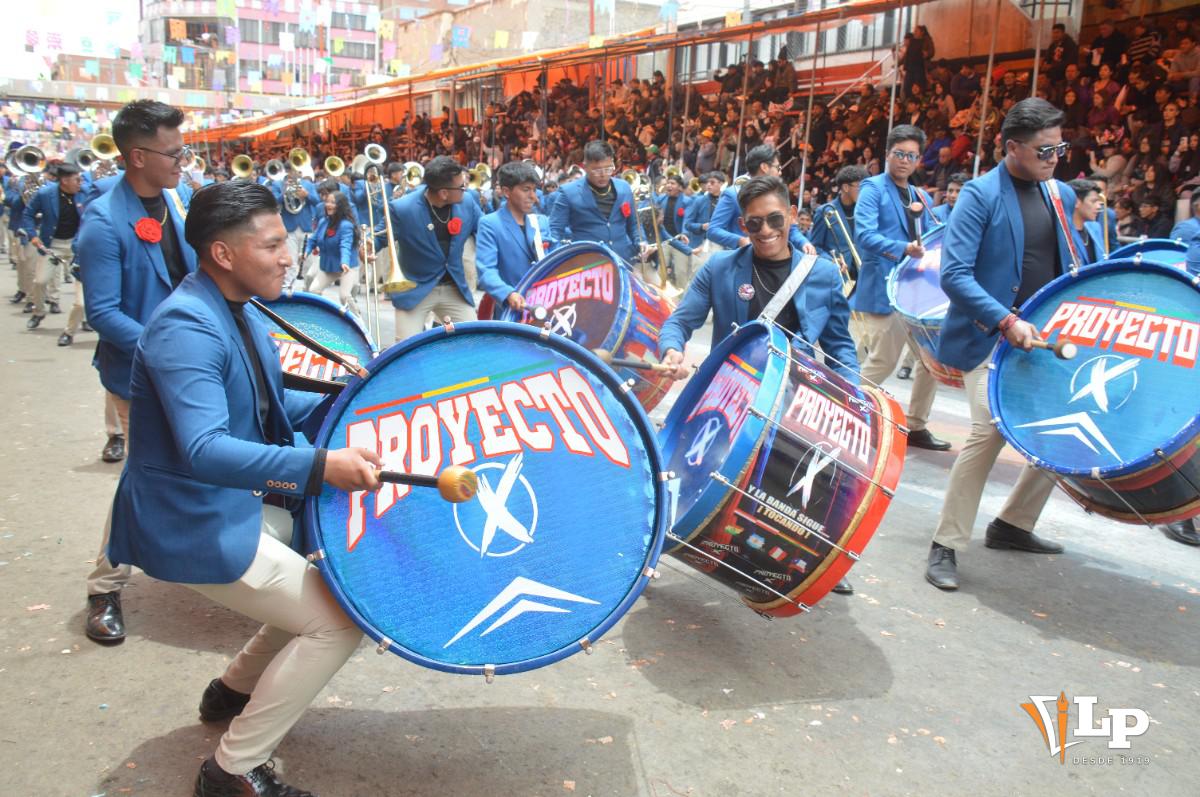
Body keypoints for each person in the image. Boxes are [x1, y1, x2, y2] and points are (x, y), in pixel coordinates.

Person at [105, 180, 381, 796]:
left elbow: (266, 406)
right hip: (190, 519)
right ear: (223, 254)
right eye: (272, 245)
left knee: (324, 581)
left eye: (286, 242)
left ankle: (231, 690)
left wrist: (351, 399)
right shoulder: (186, 326)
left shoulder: (239, 308)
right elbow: (205, 449)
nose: (288, 257)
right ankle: (232, 769)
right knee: (341, 621)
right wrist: (321, 466)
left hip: (228, 506)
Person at [658, 176, 858, 595]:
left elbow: (839, 344)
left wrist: (852, 395)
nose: (765, 231)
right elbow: (680, 320)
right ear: (742, 225)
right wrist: (672, 350)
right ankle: (665, 542)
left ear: (791, 216)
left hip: (795, 401)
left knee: (801, 487)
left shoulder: (821, 274)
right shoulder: (720, 267)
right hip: (731, 395)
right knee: (699, 477)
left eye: (774, 220)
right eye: (754, 223)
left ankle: (814, 561)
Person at [925, 98, 1080, 591]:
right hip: (990, 336)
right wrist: (1005, 319)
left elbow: (1074, 266)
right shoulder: (979, 194)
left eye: (1059, 148)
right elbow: (954, 274)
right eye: (1044, 149)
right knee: (990, 430)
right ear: (1012, 147)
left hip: (1044, 336)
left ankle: (1013, 523)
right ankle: (946, 543)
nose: (1054, 157)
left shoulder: (1061, 194)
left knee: (1064, 428)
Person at [78, 99, 199, 643]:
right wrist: (165, 347)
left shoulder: (177, 199)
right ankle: (104, 588)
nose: (182, 161)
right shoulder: (103, 222)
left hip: (191, 363)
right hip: (139, 373)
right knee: (140, 475)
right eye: (173, 153)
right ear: (136, 157)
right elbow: (103, 314)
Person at [852, 124, 951, 452]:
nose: (905, 161)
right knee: (884, 360)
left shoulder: (921, 196)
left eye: (911, 156)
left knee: (931, 361)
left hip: (916, 292)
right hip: (884, 287)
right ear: (887, 154)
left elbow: (934, 237)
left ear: (919, 159)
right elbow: (864, 235)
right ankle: (849, 409)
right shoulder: (873, 188)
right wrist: (903, 248)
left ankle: (916, 425)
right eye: (899, 154)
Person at [387, 155, 482, 341]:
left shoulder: (468, 202)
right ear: (444, 193)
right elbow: (380, 237)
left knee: (475, 341)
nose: (465, 190)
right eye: (461, 187)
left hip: (454, 288)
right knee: (405, 349)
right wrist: (367, 246)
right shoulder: (402, 208)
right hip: (414, 289)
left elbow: (485, 231)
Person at [706, 144, 816, 255]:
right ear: (764, 167)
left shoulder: (778, 194)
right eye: (778, 168)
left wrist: (803, 242)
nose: (780, 172)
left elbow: (790, 226)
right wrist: (740, 240)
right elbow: (713, 230)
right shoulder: (733, 194)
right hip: (742, 258)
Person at [548, 140, 646, 264]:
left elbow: (634, 224)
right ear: (585, 166)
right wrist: (562, 261)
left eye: (608, 169)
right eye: (597, 170)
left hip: (623, 262)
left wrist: (641, 242)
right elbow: (555, 231)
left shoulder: (624, 187)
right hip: (588, 265)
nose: (603, 175)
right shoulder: (568, 192)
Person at [475, 161, 551, 312]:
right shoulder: (490, 223)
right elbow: (486, 270)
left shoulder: (541, 221)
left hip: (545, 304)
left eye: (534, 190)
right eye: (526, 190)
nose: (533, 196)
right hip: (511, 308)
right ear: (506, 192)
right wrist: (508, 293)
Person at [23, 163, 83, 331]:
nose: (80, 183)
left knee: (85, 285)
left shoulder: (84, 193)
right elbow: (28, 214)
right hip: (52, 245)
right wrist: (33, 235)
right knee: (40, 281)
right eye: (77, 180)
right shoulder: (45, 194)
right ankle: (38, 312)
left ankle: (85, 318)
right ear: (64, 181)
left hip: (76, 245)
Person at [303, 191, 360, 312]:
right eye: (327, 202)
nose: (328, 205)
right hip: (328, 266)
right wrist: (306, 251)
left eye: (333, 202)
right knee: (313, 290)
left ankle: (356, 318)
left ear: (340, 206)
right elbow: (313, 239)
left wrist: (344, 262)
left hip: (346, 267)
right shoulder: (324, 221)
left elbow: (345, 245)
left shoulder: (346, 225)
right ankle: (320, 317)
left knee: (344, 297)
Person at [269, 164, 320, 292]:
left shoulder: (308, 185)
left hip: (306, 226)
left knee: (308, 262)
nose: (293, 173)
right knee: (290, 260)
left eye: (296, 170)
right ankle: (288, 289)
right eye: (290, 170)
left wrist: (307, 195)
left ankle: (308, 290)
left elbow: (318, 201)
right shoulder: (278, 184)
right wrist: (284, 193)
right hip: (289, 227)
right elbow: (273, 202)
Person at [652, 174, 693, 286]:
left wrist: (684, 234)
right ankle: (660, 294)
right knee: (660, 272)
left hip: (680, 241)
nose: (669, 186)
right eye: (668, 183)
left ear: (680, 187)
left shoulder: (687, 201)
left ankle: (682, 295)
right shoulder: (661, 198)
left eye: (672, 183)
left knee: (681, 273)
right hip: (664, 241)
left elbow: (687, 220)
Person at [1067, 178, 1106, 264]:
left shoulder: (1095, 228)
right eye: (1093, 201)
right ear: (1076, 202)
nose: (1099, 207)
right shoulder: (1064, 232)